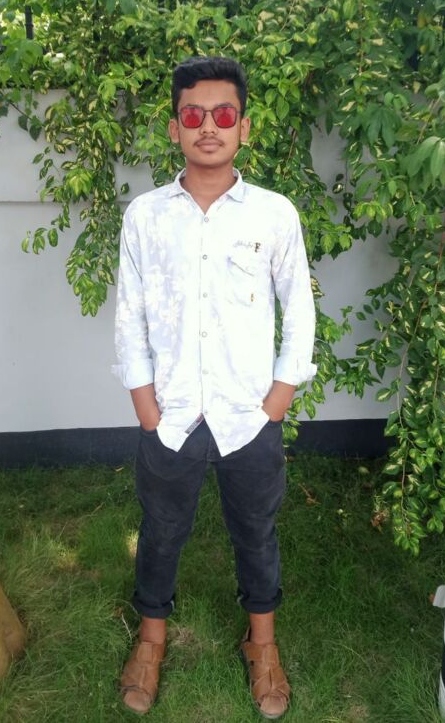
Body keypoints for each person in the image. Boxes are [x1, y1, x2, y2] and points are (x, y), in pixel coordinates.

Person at [114, 55, 316, 718]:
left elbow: (299, 307)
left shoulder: (274, 214)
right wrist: (144, 402)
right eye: (194, 115)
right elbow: (130, 312)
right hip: (170, 414)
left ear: (243, 127)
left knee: (256, 530)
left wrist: (279, 396)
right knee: (161, 528)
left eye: (223, 114)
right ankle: (151, 641)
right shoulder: (146, 216)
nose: (209, 126)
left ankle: (263, 645)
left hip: (248, 414)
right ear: (174, 127)